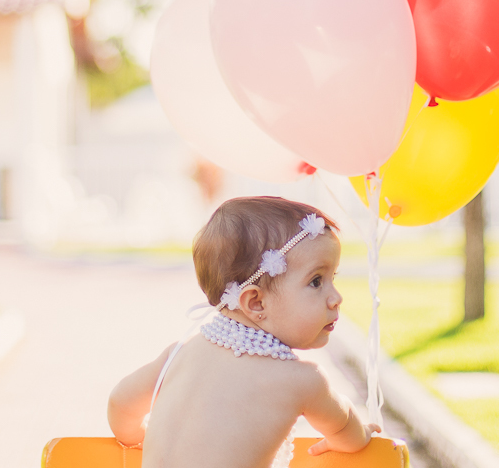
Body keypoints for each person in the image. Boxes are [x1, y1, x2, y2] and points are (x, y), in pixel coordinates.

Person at [107, 196, 378, 468]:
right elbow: (347, 433)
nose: (336, 298)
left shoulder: (179, 354)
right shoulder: (302, 380)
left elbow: (120, 403)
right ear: (256, 302)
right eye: (316, 281)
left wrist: (136, 438)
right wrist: (360, 433)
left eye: (333, 279)